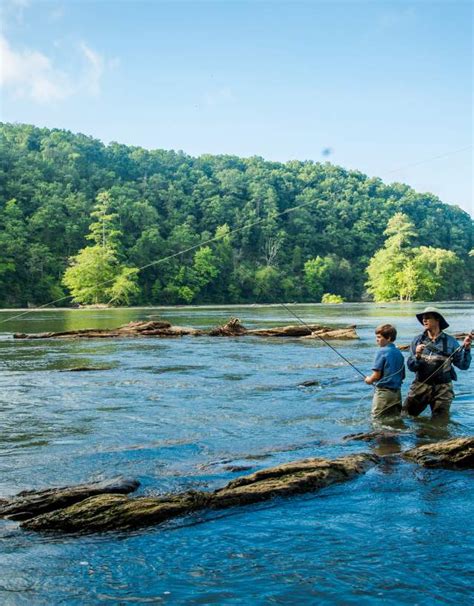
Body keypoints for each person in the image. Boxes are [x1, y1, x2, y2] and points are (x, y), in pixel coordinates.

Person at [403, 307, 471, 418]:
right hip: (420, 386)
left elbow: (463, 366)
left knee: (440, 425)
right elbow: (411, 367)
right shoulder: (417, 340)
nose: (424, 321)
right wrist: (418, 355)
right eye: (423, 319)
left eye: (428, 318)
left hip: (443, 389)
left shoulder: (451, 341)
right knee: (406, 418)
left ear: (437, 320)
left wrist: (467, 349)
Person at [365, 324, 405, 418]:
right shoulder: (399, 353)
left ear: (389, 338)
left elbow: (376, 376)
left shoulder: (381, 351)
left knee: (377, 419)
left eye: (379, 337)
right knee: (394, 419)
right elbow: (402, 376)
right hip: (397, 393)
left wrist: (369, 380)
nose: (377, 339)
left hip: (384, 394)